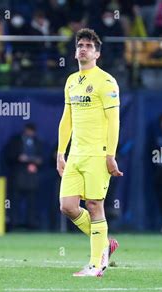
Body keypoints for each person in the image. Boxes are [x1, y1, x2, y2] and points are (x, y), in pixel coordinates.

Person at [57, 28, 121, 277]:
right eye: (80, 45)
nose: (83, 49)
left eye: (88, 46)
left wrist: (110, 154)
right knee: (68, 206)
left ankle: (96, 264)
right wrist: (61, 152)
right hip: (75, 154)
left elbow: (114, 121)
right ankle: (105, 242)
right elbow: (67, 119)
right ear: (75, 52)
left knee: (95, 205)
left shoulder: (106, 81)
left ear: (97, 53)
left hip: (97, 153)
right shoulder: (71, 81)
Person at [6, 123, 43, 230]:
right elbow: (9, 157)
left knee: (32, 202)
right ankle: (13, 224)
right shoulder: (15, 141)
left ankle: (31, 224)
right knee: (14, 200)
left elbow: (42, 158)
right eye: (29, 131)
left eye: (32, 131)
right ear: (25, 130)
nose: (30, 133)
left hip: (32, 177)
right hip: (18, 175)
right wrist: (18, 158)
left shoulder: (37, 142)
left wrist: (35, 162)